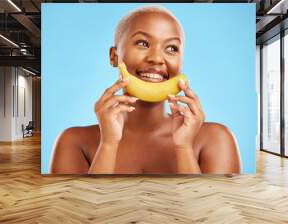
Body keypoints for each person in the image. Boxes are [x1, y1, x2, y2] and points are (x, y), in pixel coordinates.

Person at [50, 5, 241, 174]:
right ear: (114, 56)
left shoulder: (216, 139)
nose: (157, 58)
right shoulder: (73, 142)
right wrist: (108, 145)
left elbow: (210, 212)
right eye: (143, 43)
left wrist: (184, 148)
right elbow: (80, 212)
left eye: (172, 48)